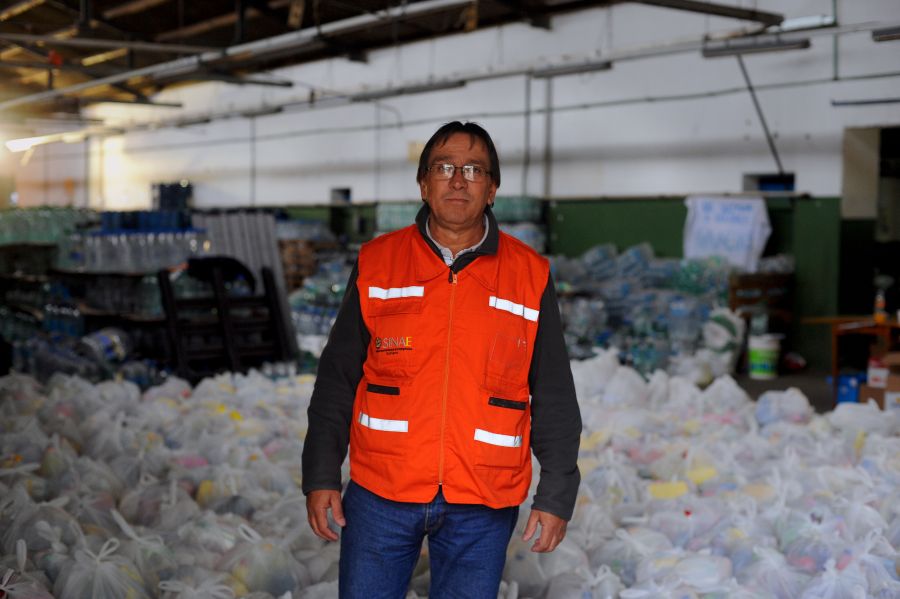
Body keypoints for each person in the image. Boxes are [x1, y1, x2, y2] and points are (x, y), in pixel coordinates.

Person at [302, 121, 581, 598]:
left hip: (483, 499)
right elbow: (337, 378)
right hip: (381, 492)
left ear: (492, 189)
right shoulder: (378, 262)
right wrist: (321, 472)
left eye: (474, 169)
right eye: (445, 167)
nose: (458, 180)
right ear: (423, 183)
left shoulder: (529, 274)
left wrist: (557, 492)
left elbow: (553, 391)